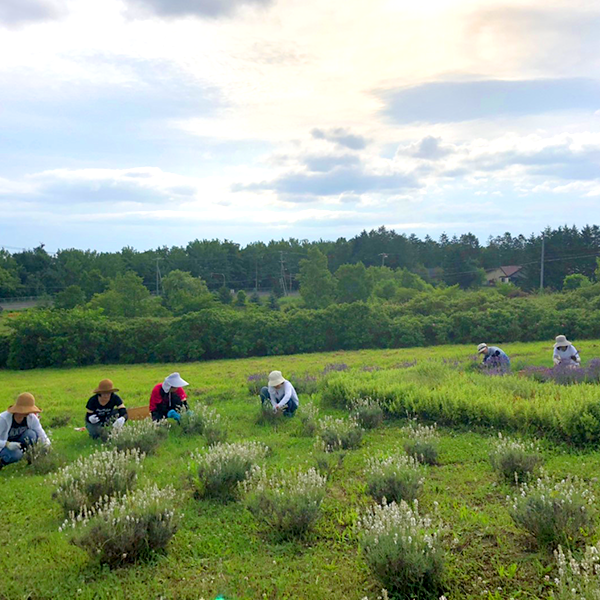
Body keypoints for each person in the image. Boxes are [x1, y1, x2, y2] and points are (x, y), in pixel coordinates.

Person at [0, 392, 50, 469]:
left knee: (31, 434)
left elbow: (41, 434)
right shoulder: (3, 419)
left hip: (19, 443)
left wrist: (47, 446)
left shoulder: (32, 418)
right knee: (16, 454)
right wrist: (7, 444)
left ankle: (28, 456)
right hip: (4, 446)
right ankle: (3, 460)